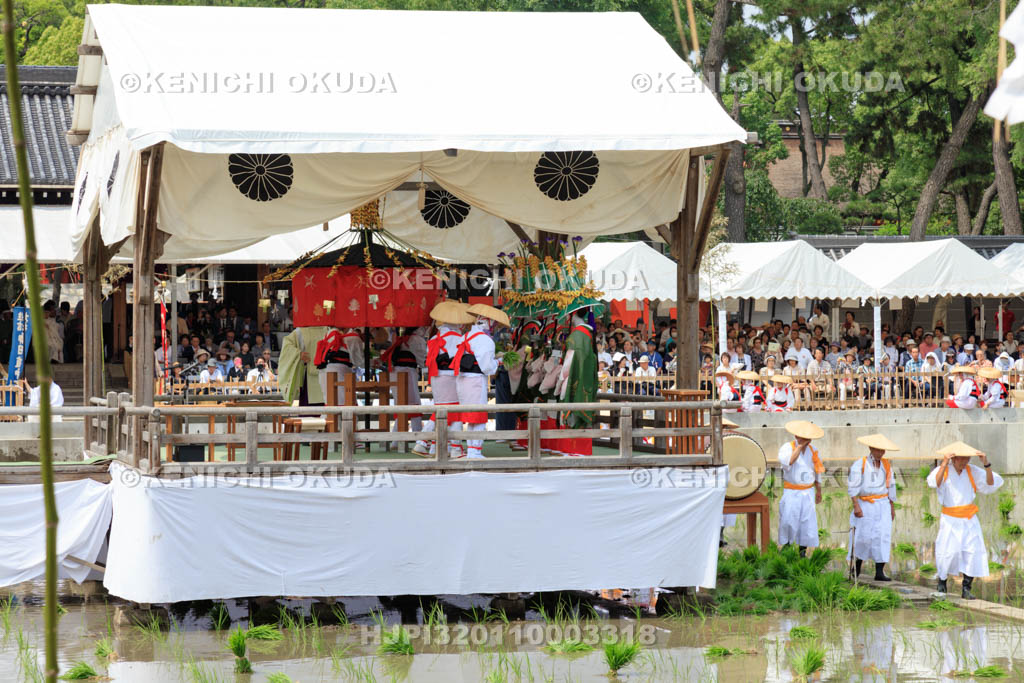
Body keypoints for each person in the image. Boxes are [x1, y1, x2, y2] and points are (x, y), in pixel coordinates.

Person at [927, 441, 1003, 598]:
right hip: (950, 519)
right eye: (961, 459)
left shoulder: (972, 471)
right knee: (948, 552)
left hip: (969, 519)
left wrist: (986, 464)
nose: (964, 462)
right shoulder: (944, 470)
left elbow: (990, 483)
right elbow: (935, 483)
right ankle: (942, 583)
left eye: (967, 459)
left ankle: (966, 588)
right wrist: (944, 463)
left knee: (972, 552)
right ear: (954, 458)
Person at [419, 301, 473, 457]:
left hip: (436, 376)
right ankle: (452, 447)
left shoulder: (434, 337)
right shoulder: (457, 338)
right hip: (450, 376)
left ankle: (433, 446)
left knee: (440, 409)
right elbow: (461, 356)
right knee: (454, 410)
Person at [847, 433, 899, 581]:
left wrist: (891, 506)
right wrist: (856, 505)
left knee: (882, 536)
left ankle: (879, 571)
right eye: (878, 450)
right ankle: (856, 568)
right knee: (863, 537)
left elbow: (891, 487)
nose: (880, 453)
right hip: (866, 504)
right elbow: (853, 486)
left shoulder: (886, 465)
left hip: (883, 504)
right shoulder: (860, 464)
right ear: (871, 448)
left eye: (882, 450)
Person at [453, 304, 502, 459]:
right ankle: (475, 450)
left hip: (462, 379)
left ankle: (472, 448)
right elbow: (487, 367)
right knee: (478, 415)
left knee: (469, 414)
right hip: (475, 380)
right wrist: (498, 362)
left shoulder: (465, 336)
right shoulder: (485, 341)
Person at [778, 420, 824, 556]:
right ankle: (786, 550)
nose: (806, 440)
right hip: (792, 491)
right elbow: (789, 462)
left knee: (807, 522)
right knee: (788, 521)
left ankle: (802, 553)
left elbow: (817, 471)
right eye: (803, 437)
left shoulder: (813, 450)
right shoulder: (787, 447)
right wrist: (799, 447)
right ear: (797, 436)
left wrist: (819, 490)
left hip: (808, 491)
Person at [382, 326, 429, 454]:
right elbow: (423, 361)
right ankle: (419, 439)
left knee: (401, 404)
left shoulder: (399, 338)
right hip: (407, 372)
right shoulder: (417, 339)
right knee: (413, 405)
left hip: (396, 372)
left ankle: (396, 441)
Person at [278, 325, 330, 405]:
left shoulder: (328, 329)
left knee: (328, 403)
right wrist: (298, 354)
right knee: (308, 410)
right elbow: (287, 344)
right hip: (309, 375)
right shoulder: (301, 331)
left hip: (328, 373)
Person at [314, 327, 364, 406]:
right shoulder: (353, 337)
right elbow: (360, 361)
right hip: (341, 371)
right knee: (346, 405)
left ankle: (330, 418)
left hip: (323, 372)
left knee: (330, 403)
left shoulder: (327, 335)